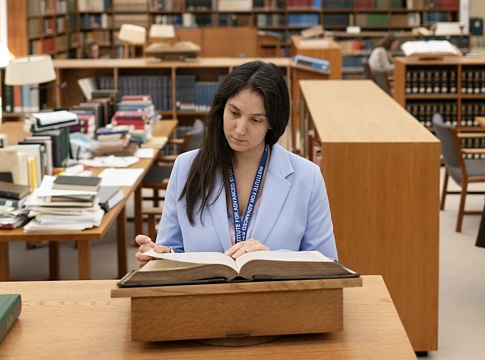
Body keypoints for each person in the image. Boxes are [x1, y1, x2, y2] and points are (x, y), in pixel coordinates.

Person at [135, 60, 337, 265]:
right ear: (222, 108)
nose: (240, 129)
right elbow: (172, 249)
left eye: (255, 120)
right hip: (204, 286)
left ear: (271, 123)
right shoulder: (185, 168)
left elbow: (327, 263)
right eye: (234, 113)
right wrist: (158, 257)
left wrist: (274, 260)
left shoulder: (307, 177)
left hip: (275, 287)